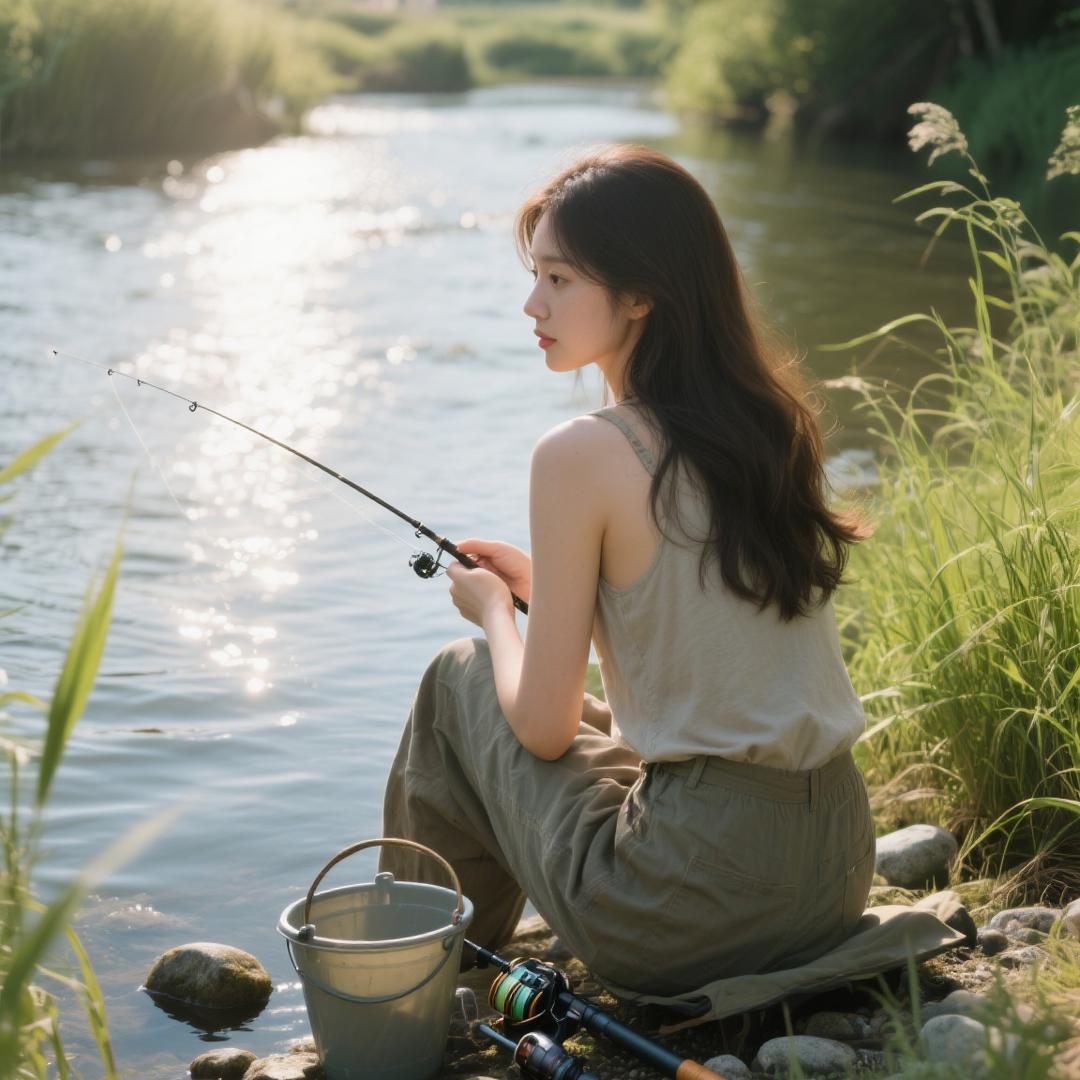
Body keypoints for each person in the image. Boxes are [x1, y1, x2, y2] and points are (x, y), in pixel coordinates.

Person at [378, 145, 956, 1006]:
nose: (532, 303)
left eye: (559, 279)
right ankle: (450, 971)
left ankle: (416, 983)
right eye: (536, 277)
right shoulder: (765, 424)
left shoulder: (579, 453)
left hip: (688, 908)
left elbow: (542, 729)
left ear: (641, 293)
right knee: (584, 716)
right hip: (834, 869)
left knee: (459, 678)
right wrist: (543, 585)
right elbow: (702, 627)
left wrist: (495, 611)